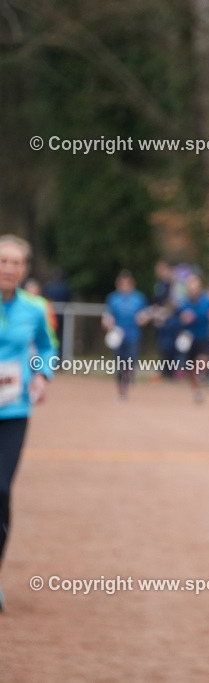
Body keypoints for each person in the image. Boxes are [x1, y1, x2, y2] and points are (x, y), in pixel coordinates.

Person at [0, 235, 57, 612]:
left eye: (16, 262)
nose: (9, 268)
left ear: (25, 269)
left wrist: (41, 375)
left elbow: (47, 348)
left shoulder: (34, 309)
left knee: (1, 489)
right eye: (3, 261)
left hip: (13, 411)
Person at [176, 273, 209, 403]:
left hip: (204, 337)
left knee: (202, 360)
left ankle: (204, 375)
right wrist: (183, 319)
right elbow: (177, 320)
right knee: (191, 368)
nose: (193, 290)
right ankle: (197, 389)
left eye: (195, 286)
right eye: (191, 287)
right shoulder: (184, 304)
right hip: (190, 339)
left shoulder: (208, 301)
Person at [103, 270, 149, 401]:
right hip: (118, 336)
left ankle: (129, 377)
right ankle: (121, 392)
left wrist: (143, 318)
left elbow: (145, 314)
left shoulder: (138, 298)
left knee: (130, 362)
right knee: (119, 365)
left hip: (133, 336)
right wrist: (108, 323)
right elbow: (107, 316)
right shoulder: (113, 298)